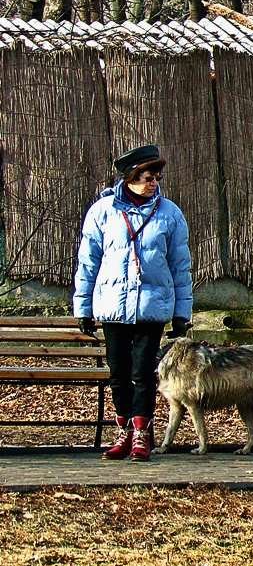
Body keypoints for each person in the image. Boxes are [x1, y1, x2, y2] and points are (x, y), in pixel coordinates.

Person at [73, 144, 193, 461]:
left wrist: (182, 314)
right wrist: (83, 308)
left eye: (156, 176)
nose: (153, 182)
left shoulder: (170, 214)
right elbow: (87, 262)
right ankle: (124, 431)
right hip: (113, 306)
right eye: (146, 176)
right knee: (119, 373)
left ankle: (142, 435)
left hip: (150, 308)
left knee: (143, 373)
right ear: (130, 177)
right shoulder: (102, 212)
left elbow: (181, 267)